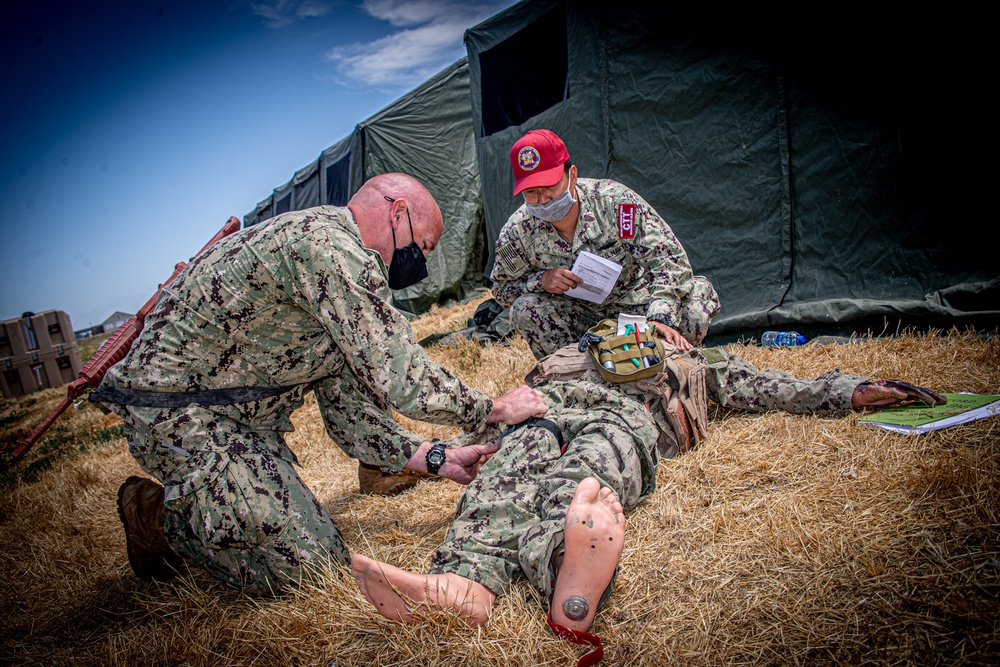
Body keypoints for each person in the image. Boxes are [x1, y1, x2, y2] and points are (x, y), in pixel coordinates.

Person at [352, 335, 944, 663]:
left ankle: (569, 564)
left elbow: (775, 388)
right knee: (507, 467)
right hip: (543, 414)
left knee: (590, 470)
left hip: (627, 419)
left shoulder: (693, 362)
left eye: (655, 320)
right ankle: (463, 584)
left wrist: (850, 391)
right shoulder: (562, 358)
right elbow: (494, 423)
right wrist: (428, 452)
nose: (640, 326)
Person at [92, 172, 548, 595]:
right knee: (307, 568)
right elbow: (403, 377)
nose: (420, 264)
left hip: (241, 421)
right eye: (423, 247)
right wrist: (491, 407)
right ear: (398, 214)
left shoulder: (339, 273)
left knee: (318, 560)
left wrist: (439, 460)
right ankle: (160, 518)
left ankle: (218, 499)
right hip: (179, 414)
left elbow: (352, 414)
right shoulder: (328, 249)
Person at [490, 128, 721, 360]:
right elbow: (502, 290)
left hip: (636, 306)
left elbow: (669, 260)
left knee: (693, 308)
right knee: (525, 310)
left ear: (572, 175)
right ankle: (579, 372)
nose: (542, 200)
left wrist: (659, 318)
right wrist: (541, 280)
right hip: (579, 317)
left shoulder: (615, 203)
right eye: (531, 192)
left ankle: (658, 354)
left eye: (550, 186)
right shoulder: (518, 231)